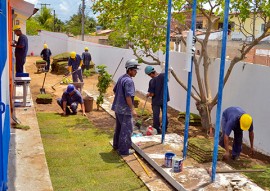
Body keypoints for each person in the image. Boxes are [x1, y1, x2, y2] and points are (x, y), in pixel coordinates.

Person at [111, 59, 139, 155]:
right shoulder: (129, 81)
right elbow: (128, 97)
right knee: (127, 130)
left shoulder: (121, 78)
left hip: (117, 108)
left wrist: (120, 99)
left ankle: (116, 145)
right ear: (130, 70)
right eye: (135, 70)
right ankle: (123, 150)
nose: (136, 72)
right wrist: (132, 109)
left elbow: (115, 90)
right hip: (125, 110)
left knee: (119, 128)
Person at [145, 65, 170, 134]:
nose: (149, 76)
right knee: (164, 114)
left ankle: (157, 130)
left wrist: (148, 94)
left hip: (156, 101)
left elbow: (152, 94)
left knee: (156, 115)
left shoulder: (152, 81)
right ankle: (164, 129)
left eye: (148, 75)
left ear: (150, 73)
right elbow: (167, 80)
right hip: (164, 99)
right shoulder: (163, 76)